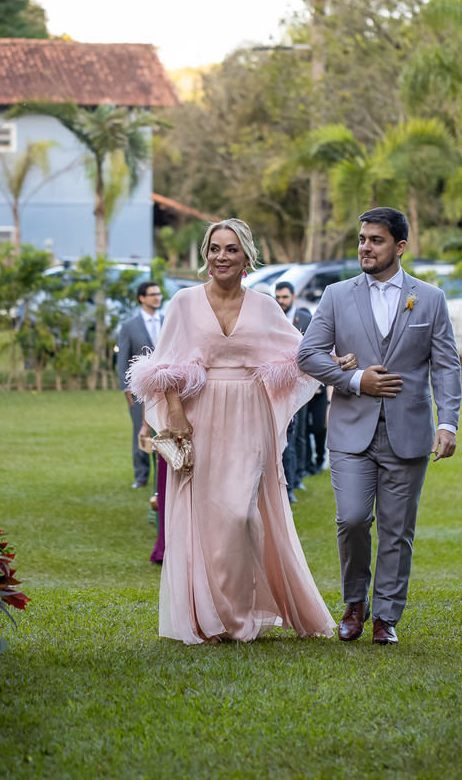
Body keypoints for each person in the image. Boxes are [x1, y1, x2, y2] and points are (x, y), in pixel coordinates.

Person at [127, 218, 336, 644]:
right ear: (206, 255)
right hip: (198, 416)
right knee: (207, 516)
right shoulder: (184, 302)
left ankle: (243, 614)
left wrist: (336, 364)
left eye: (231, 249)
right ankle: (212, 616)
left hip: (249, 415)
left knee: (242, 515)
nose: (221, 256)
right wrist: (175, 411)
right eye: (215, 248)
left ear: (246, 258)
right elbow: (166, 364)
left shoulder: (264, 305)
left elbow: (299, 354)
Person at [298, 207, 462, 646]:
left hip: (409, 432)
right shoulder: (335, 295)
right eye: (362, 239)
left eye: (376, 240)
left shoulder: (429, 299)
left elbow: (446, 365)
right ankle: (354, 603)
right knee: (351, 519)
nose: (365, 248)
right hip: (351, 430)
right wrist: (354, 379)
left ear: (400, 246)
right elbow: (308, 354)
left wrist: (447, 422)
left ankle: (385, 616)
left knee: (396, 528)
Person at [117, 281, 164, 489]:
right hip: (138, 390)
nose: (157, 297)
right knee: (141, 429)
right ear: (142, 298)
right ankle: (141, 476)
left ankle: (163, 475)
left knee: (163, 430)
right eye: (153, 294)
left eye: (159, 294)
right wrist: (126, 388)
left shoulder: (167, 321)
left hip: (164, 388)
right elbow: (123, 359)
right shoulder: (129, 326)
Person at [276, 281, 312, 502]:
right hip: (276, 389)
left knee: (296, 436)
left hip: (300, 385)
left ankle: (294, 480)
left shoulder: (305, 320)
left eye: (284, 298)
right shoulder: (270, 319)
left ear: (293, 297)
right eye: (277, 298)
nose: (281, 302)